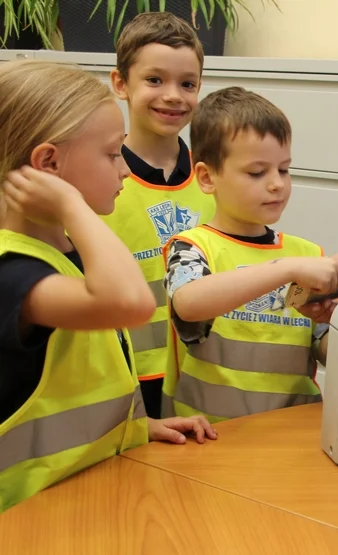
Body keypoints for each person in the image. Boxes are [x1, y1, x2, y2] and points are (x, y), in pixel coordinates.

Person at [0, 60, 216, 512]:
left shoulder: (70, 255)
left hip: (89, 498)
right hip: (27, 517)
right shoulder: (13, 272)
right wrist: (68, 202)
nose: (123, 169)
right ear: (48, 163)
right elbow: (130, 303)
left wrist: (135, 428)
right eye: (112, 153)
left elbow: (79, 392)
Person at [160, 87, 338, 423]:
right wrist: (284, 269)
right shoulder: (191, 248)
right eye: (257, 172)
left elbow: (321, 346)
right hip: (211, 437)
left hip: (293, 432)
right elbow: (189, 304)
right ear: (206, 177)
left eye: (285, 169)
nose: (277, 184)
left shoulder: (307, 253)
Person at [101, 12, 216, 419]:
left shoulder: (215, 178)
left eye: (187, 84)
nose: (173, 96)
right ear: (120, 84)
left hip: (203, 377)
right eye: (154, 80)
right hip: (126, 380)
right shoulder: (98, 181)